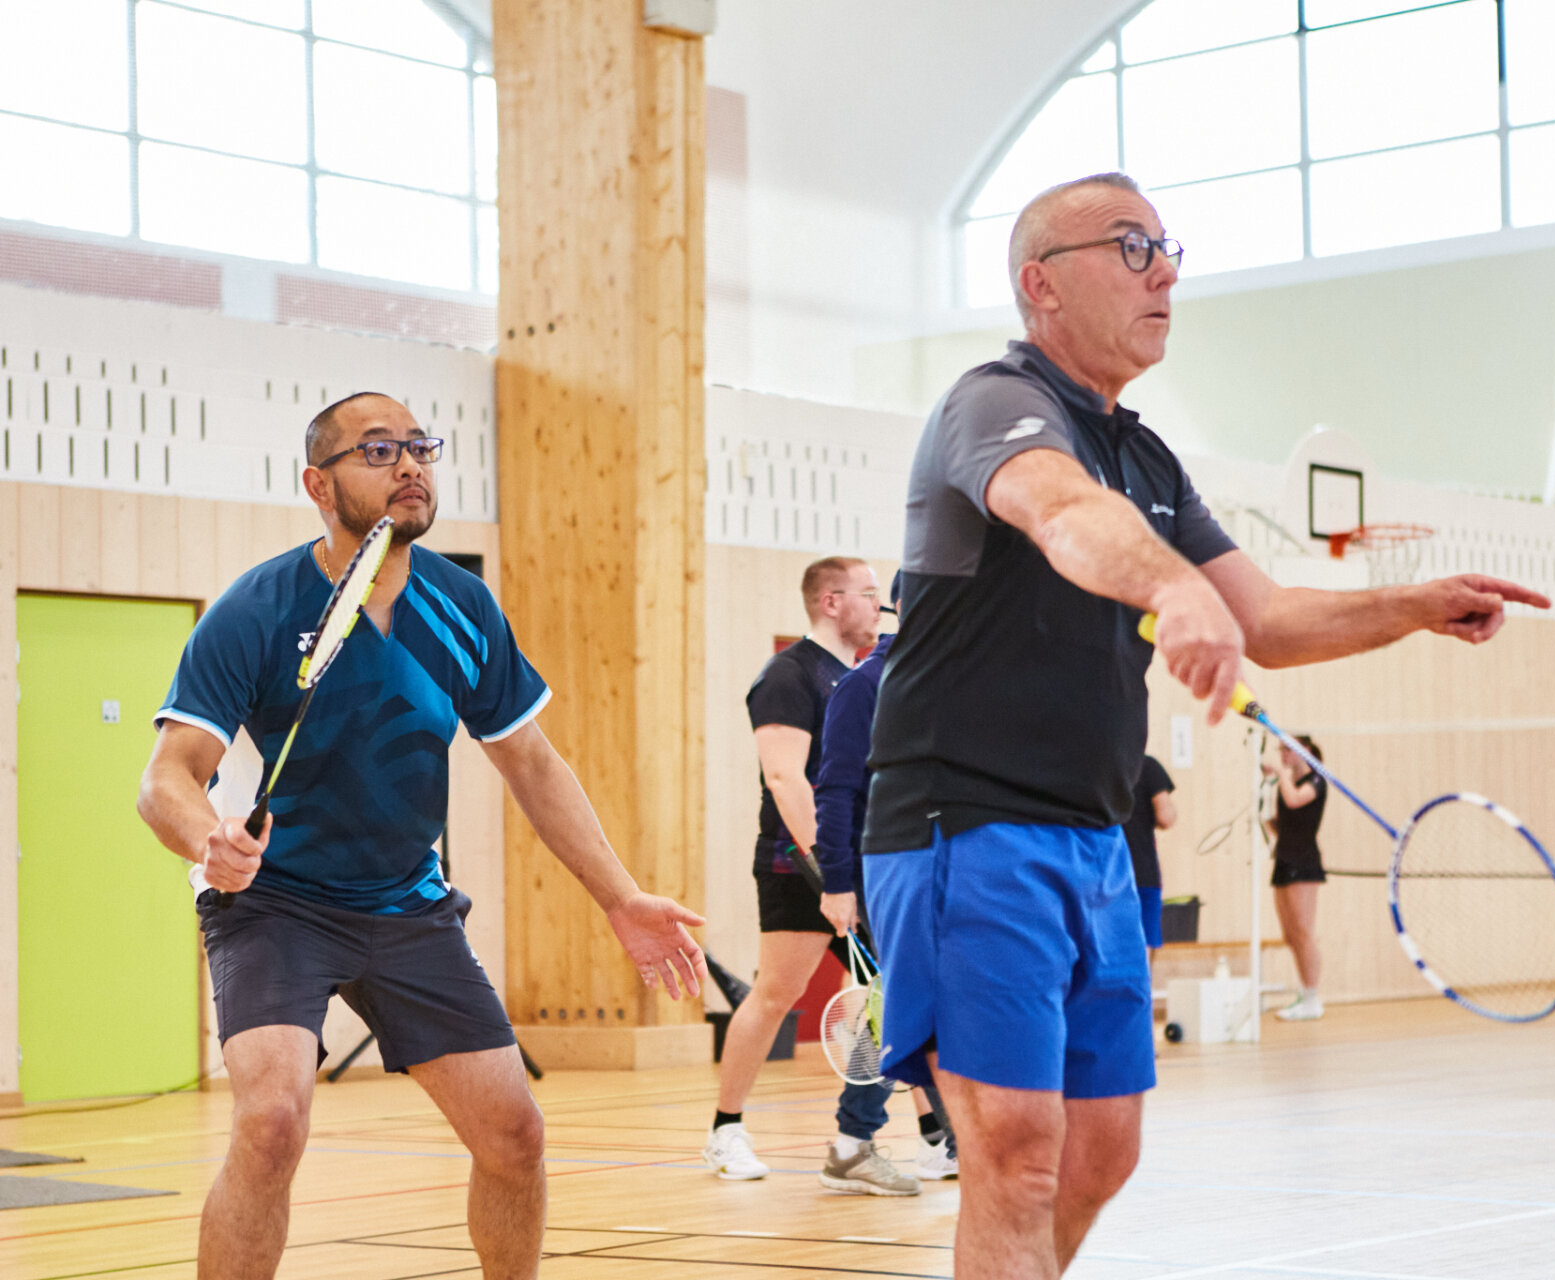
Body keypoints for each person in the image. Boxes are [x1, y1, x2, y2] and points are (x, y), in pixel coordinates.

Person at [860, 171, 1549, 1280]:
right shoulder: (994, 405)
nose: (1165, 274)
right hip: (966, 825)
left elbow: (1265, 619)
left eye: (1167, 248)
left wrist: (1412, 605)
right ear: (1042, 284)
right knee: (1020, 1154)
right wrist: (1173, 588)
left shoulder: (1150, 459)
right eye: (1132, 247)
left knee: (1100, 1151)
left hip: (1095, 839)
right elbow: (1062, 512)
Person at [136, 392, 706, 1280]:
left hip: (408, 904)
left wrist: (620, 897)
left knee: (514, 1136)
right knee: (271, 1123)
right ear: (317, 485)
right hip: (274, 904)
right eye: (377, 450)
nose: (409, 464)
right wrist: (209, 840)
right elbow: (168, 777)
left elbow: (532, 764)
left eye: (419, 446)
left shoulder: (461, 605)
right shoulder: (257, 608)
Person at [701, 555, 906, 1188]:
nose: (880, 606)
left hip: (859, 864)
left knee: (894, 993)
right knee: (776, 996)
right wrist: (829, 868)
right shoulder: (789, 674)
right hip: (799, 865)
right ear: (831, 602)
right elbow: (785, 776)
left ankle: (925, 1137)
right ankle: (726, 1130)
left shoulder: (859, 674)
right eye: (868, 593)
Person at [813, 610, 958, 1186]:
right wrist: (837, 883)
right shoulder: (864, 686)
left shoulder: (948, 676)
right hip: (885, 873)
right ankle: (939, 1139)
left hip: (944, 869)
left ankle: (858, 1143)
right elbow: (835, 790)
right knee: (907, 1005)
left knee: (896, 1008)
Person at [1262, 736, 1328, 1020]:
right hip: (1284, 860)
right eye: (1281, 750)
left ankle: (1313, 998)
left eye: (1288, 749)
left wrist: (1279, 773)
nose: (1283, 754)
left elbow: (1294, 800)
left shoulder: (1317, 780)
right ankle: (1304, 994)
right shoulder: (1288, 783)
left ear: (1306, 751)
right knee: (1290, 935)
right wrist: (1265, 808)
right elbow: (1281, 824)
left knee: (1303, 931)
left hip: (1304, 862)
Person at [1123, 754, 1176, 959]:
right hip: (1142, 873)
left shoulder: (1097, 766)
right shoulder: (1147, 766)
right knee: (1143, 947)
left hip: (1101, 872)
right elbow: (1166, 817)